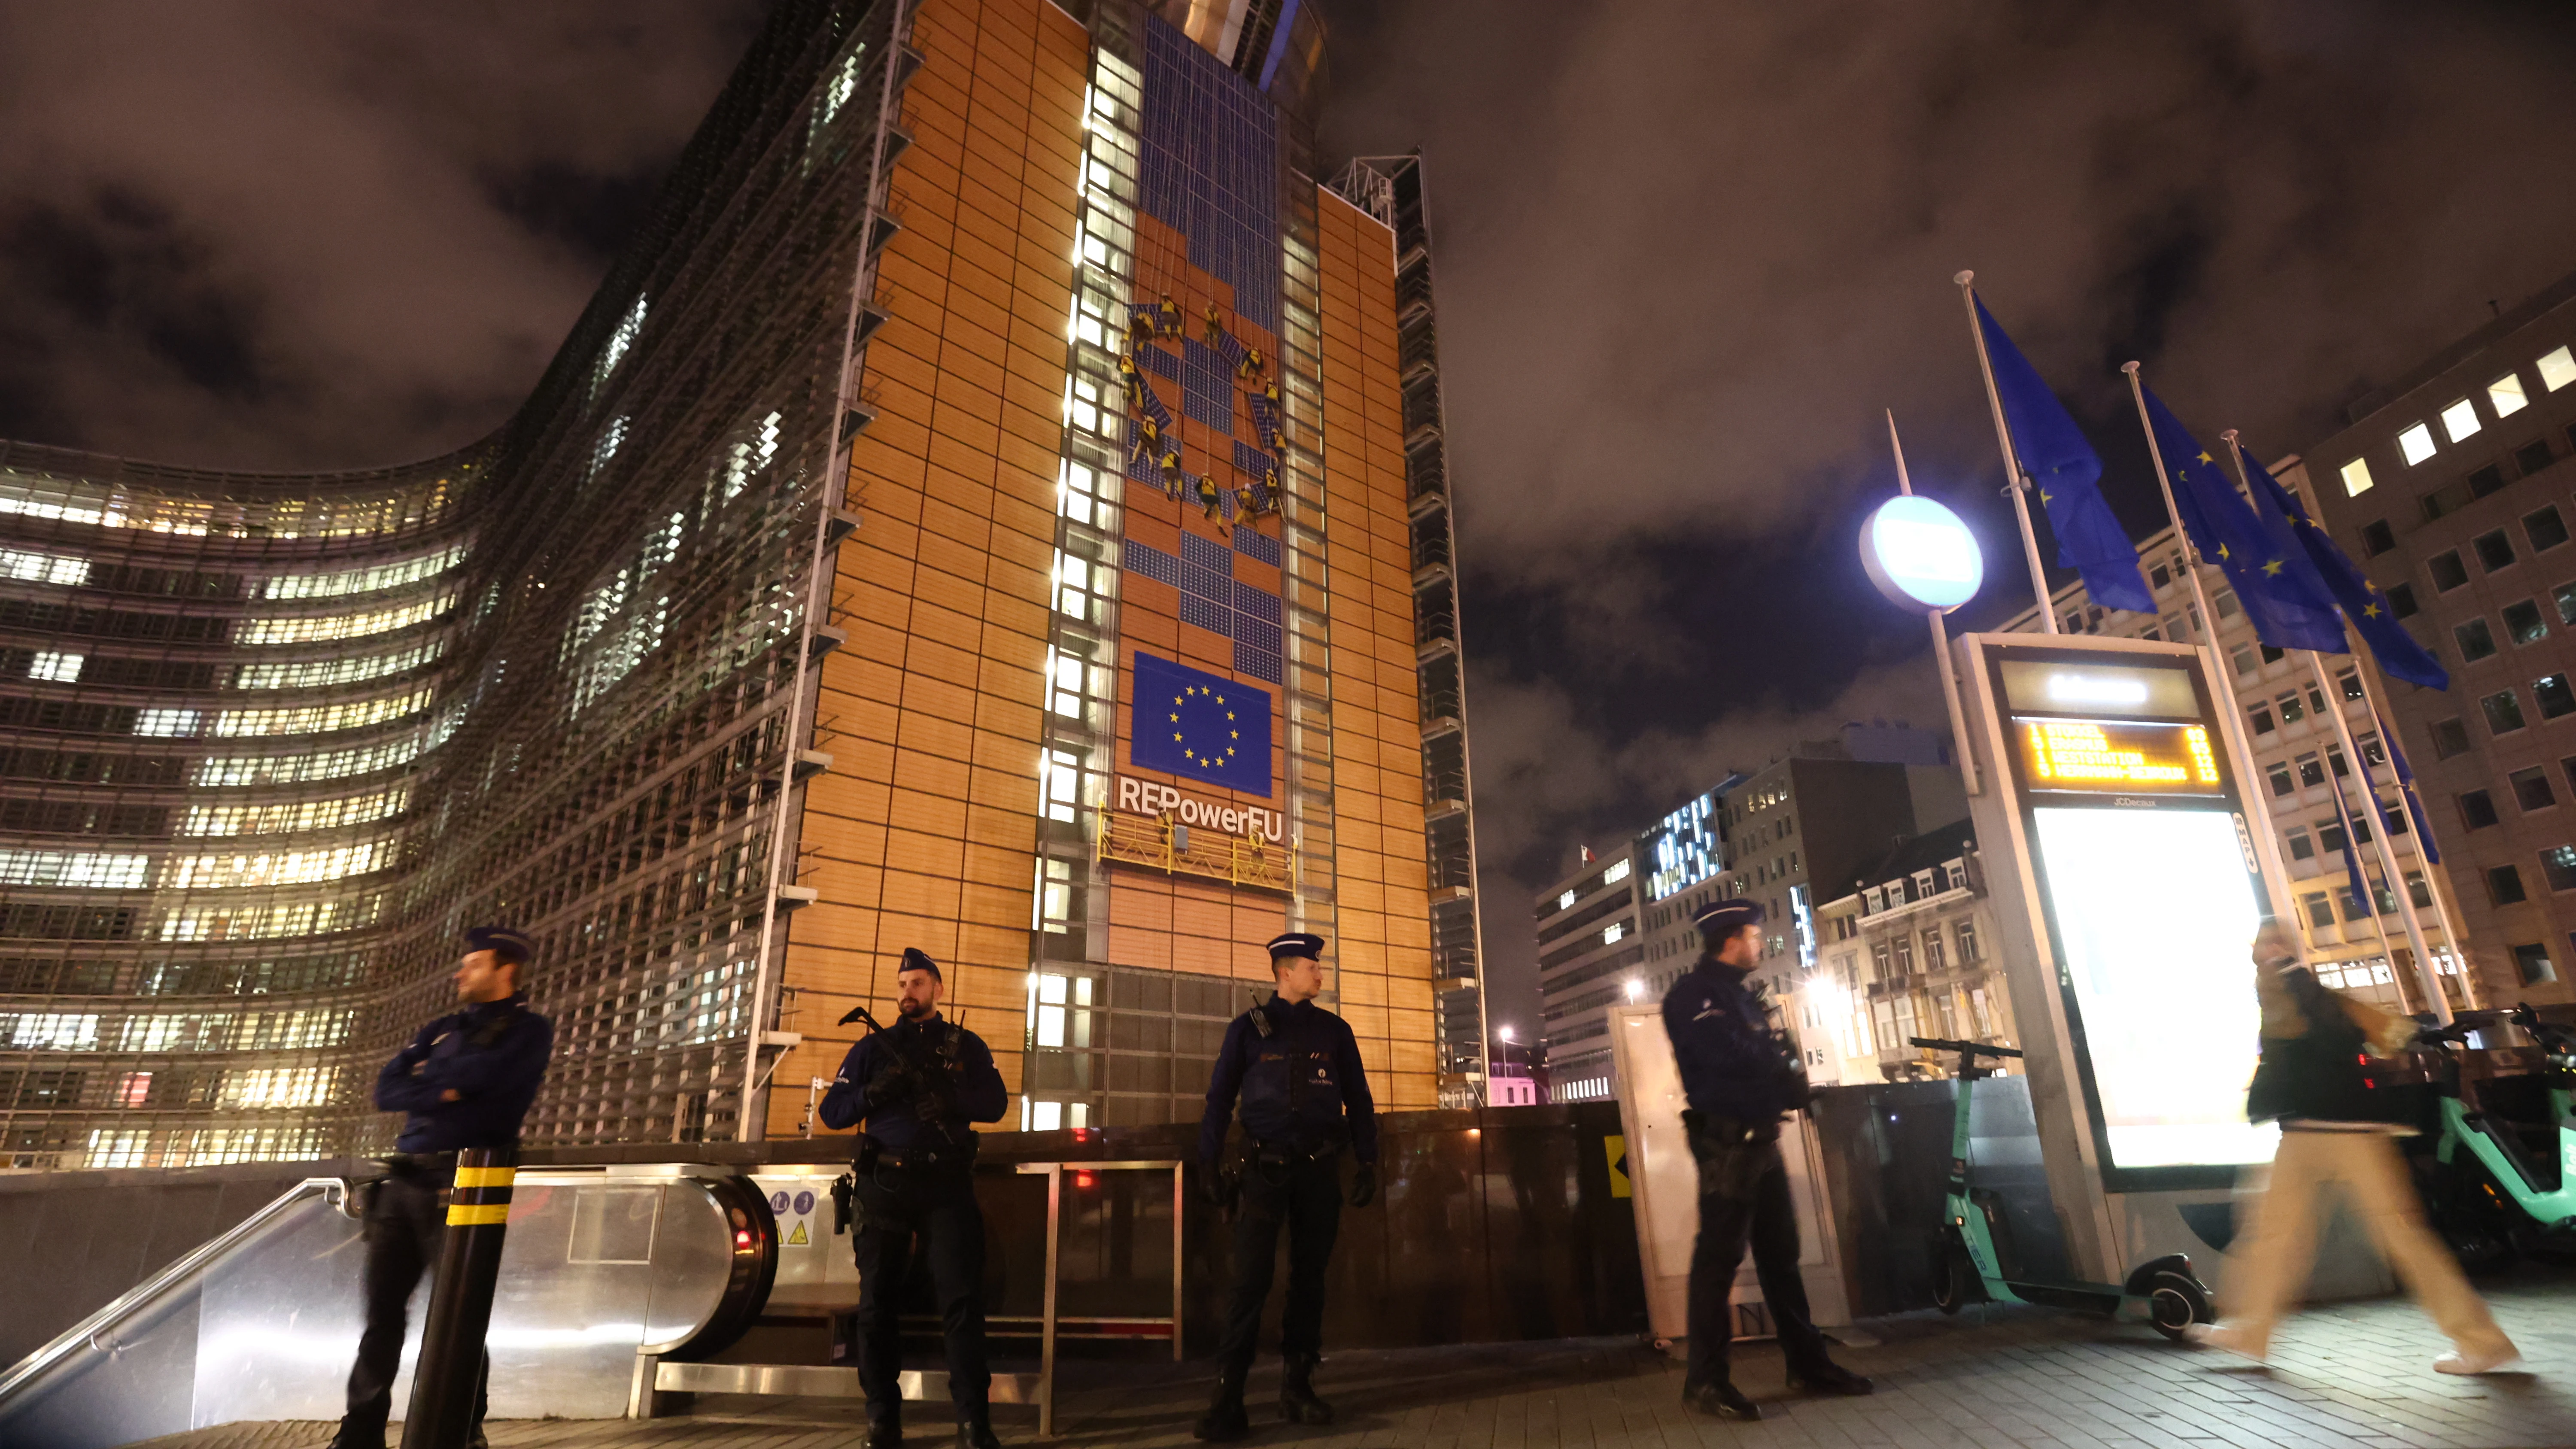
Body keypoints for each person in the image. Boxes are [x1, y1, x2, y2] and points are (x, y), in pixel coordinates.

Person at [2186, 920, 2521, 1374]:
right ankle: (2251, 1331)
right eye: (2265, 943)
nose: (2270, 950)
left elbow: (2335, 1037)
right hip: (2305, 1134)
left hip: (2350, 1134)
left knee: (2399, 1238)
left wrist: (2289, 981)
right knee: (2272, 1235)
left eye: (2278, 942)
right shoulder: (2278, 992)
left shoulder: (2298, 987)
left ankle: (2482, 1341)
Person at [330, 926, 553, 1449]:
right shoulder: (441, 1028)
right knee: (381, 1316)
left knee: (460, 1313)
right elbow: (387, 1089)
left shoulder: (528, 1032)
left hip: (464, 1186)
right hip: (403, 1182)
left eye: (473, 964)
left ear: (505, 972)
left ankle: (462, 1427)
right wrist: (446, 1089)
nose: (461, 973)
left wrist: (436, 1085)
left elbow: (488, 1085)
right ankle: (360, 1433)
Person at [1664, 899, 1871, 1421]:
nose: (1760, 945)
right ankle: (1705, 1384)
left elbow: (1761, 1054)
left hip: (1761, 1140)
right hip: (1728, 1144)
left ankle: (1808, 1364)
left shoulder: (1741, 996)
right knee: (1718, 1262)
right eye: (1755, 936)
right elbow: (1722, 1054)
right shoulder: (1696, 995)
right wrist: (1778, 1062)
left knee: (1781, 1255)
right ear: (1732, 939)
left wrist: (1787, 1075)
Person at [819, 948, 1011, 1449]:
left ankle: (973, 1424)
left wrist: (951, 1101)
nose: (909, 992)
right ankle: (882, 1422)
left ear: (938, 989)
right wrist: (876, 1092)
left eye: (920, 983)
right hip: (885, 1185)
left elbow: (995, 1102)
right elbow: (834, 1111)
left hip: (947, 1185)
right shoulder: (872, 1047)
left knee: (963, 1305)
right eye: (903, 984)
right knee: (876, 1307)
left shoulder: (965, 1044)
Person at [1191, 931, 1377, 1442]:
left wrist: (1368, 1161)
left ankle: (1298, 1389)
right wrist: (1207, 1162)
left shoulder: (1335, 1032)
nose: (1320, 974)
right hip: (1264, 1174)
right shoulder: (1248, 1032)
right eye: (1312, 967)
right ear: (1285, 973)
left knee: (1310, 1281)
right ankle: (1228, 1399)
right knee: (1249, 1281)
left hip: (1319, 1172)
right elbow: (1218, 1099)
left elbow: (1359, 1100)